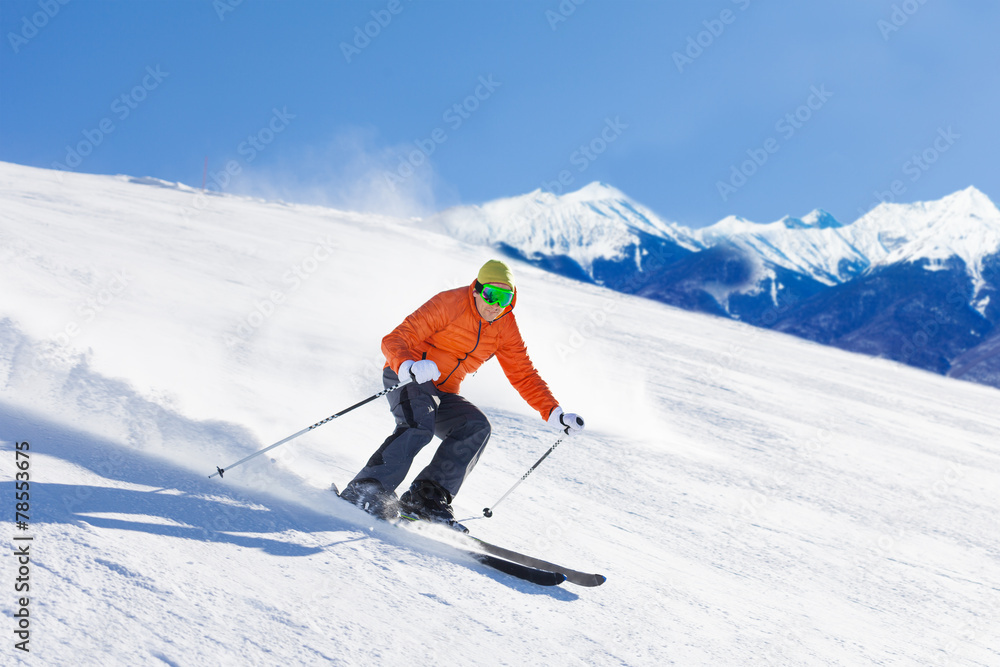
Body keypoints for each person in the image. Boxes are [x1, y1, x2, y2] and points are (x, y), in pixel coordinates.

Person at [339, 259, 584, 529]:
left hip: (444, 391)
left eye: (505, 297)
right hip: (408, 377)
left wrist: (553, 412)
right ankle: (367, 489)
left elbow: (523, 373)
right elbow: (395, 338)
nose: (496, 304)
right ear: (477, 289)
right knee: (420, 424)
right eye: (491, 294)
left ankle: (426, 497)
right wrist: (408, 364)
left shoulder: (505, 326)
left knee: (475, 427)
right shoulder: (450, 303)